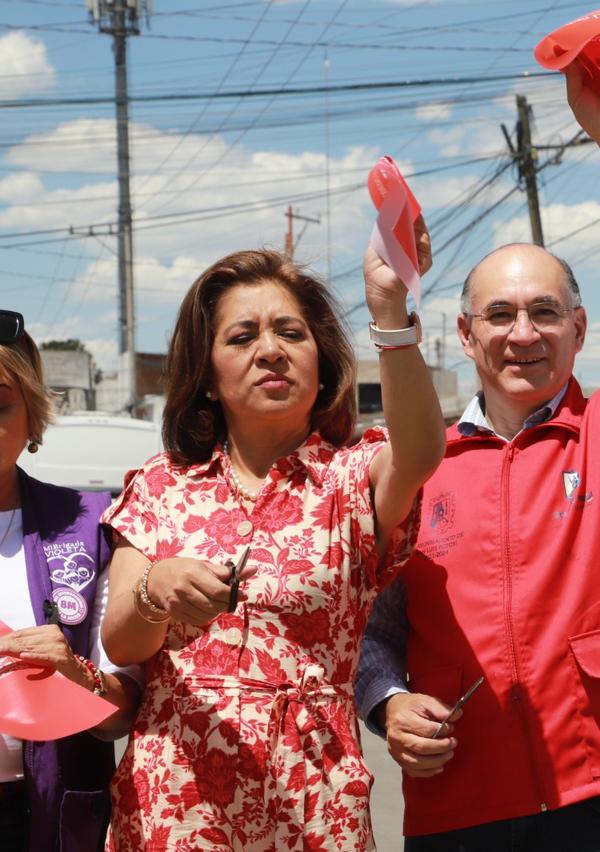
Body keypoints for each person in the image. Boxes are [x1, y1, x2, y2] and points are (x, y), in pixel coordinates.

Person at [356, 59, 600, 850]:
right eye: (502, 314)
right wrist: (386, 701)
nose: (524, 334)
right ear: (466, 334)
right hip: (462, 799)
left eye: (546, 313)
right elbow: (372, 629)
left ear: (579, 331)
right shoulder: (412, 461)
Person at [99, 236, 445, 850]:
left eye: (291, 333)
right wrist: (156, 590)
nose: (271, 352)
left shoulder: (351, 478)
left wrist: (390, 313)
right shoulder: (159, 485)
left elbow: (420, 451)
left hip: (314, 801)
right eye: (242, 337)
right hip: (175, 806)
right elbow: (121, 639)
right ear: (206, 379)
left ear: (322, 363)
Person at [0, 310, 140, 852]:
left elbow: (124, 709)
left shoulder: (89, 525)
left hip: (52, 812)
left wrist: (76, 675)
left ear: (33, 414)